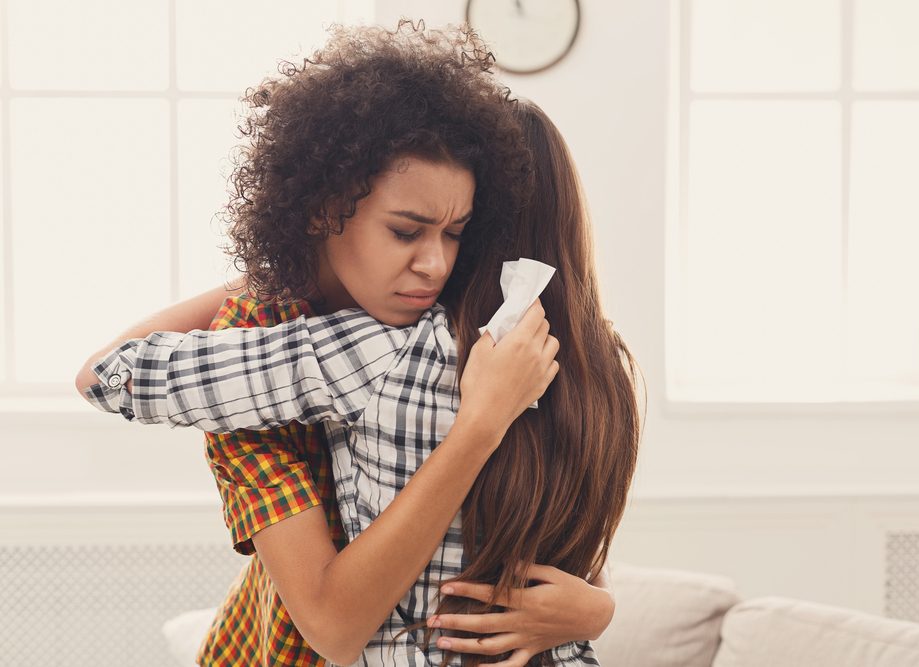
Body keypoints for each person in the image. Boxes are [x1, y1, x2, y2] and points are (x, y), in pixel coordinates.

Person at [75, 22, 629, 667]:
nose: (435, 266)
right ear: (322, 208)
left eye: (457, 234)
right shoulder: (266, 337)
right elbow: (331, 627)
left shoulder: (488, 352)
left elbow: (532, 530)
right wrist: (478, 425)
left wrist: (595, 605)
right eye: (407, 230)